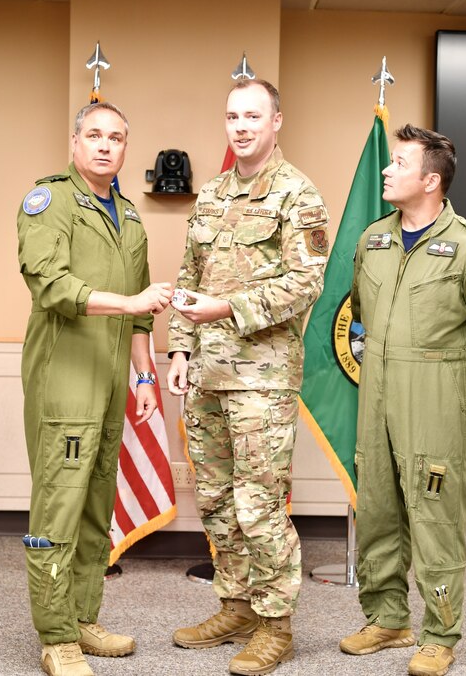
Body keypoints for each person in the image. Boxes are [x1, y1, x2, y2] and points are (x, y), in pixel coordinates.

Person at [339, 124, 466, 676]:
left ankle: (440, 632)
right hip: (378, 390)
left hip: (438, 396)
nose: (387, 171)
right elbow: (363, 318)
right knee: (378, 508)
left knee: (433, 512)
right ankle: (388, 619)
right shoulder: (372, 240)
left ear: (431, 179)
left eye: (399, 163)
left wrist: (448, 381)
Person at [166, 78, 329, 675]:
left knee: (259, 504)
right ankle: (234, 605)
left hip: (262, 378)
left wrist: (229, 309)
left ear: (277, 121)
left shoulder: (297, 195)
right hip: (205, 373)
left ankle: (276, 625)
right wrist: (179, 351)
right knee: (214, 501)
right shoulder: (209, 195)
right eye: (232, 116)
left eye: (253, 116)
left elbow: (304, 282)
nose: (241, 126)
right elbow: (189, 277)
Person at [17, 101, 172, 676]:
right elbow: (51, 285)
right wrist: (130, 303)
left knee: (94, 507)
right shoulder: (49, 200)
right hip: (65, 381)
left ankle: (82, 618)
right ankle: (55, 636)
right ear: (75, 142)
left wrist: (146, 375)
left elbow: (139, 316)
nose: (105, 145)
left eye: (117, 137)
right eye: (95, 135)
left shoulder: (129, 216)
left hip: (111, 385)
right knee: (59, 507)